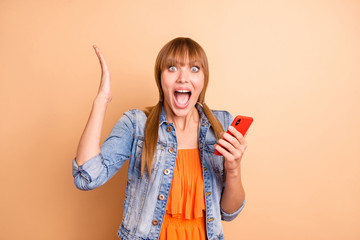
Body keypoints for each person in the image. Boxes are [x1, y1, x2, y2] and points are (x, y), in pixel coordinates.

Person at [72, 37, 247, 240]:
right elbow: (86, 178)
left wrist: (234, 169)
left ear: (204, 79)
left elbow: (229, 212)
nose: (183, 77)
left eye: (194, 68)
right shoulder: (136, 124)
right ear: (160, 78)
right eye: (172, 68)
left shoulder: (222, 125)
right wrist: (102, 99)